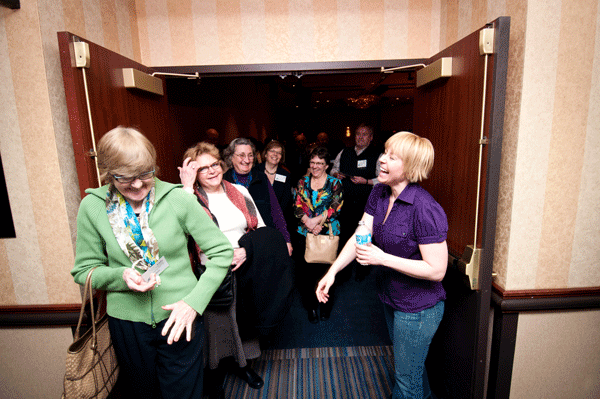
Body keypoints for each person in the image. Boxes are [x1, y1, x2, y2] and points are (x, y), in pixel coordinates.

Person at [71, 127, 233, 399]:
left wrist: (194, 303)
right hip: (127, 322)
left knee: (183, 393)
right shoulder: (93, 207)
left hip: (179, 315)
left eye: (145, 174)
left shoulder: (178, 199)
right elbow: (84, 270)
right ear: (108, 173)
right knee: (142, 393)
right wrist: (120, 276)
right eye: (125, 178)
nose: (137, 185)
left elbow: (221, 252)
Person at [317, 131, 448, 399]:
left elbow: (437, 270)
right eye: (384, 153)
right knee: (411, 371)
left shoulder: (424, 208)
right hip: (392, 298)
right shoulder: (378, 192)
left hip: (418, 309)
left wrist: (381, 258)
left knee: (405, 383)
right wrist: (332, 271)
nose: (382, 161)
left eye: (392, 156)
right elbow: (360, 235)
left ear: (410, 166)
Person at [179, 142, 266, 397]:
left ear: (222, 164)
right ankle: (214, 373)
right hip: (209, 270)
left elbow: (259, 227)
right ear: (194, 174)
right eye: (202, 168)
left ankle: (244, 365)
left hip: (244, 264)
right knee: (216, 326)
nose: (211, 171)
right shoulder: (187, 197)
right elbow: (181, 231)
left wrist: (247, 250)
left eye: (214, 164)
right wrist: (186, 188)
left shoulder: (239, 190)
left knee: (244, 319)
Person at [293, 146, 343, 323]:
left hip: (327, 233)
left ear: (327, 166)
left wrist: (317, 222)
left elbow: (336, 207)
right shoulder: (302, 182)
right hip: (304, 233)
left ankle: (325, 306)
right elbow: (297, 206)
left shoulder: (335, 183)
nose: (315, 166)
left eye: (319, 163)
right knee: (306, 275)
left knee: (326, 273)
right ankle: (312, 307)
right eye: (312, 162)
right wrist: (309, 222)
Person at [222, 137, 293, 255]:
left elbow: (275, 210)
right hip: (235, 247)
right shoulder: (224, 181)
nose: (247, 159)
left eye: (250, 155)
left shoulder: (261, 178)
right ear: (231, 157)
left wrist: (286, 239)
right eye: (241, 155)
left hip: (263, 242)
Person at [331, 123, 381, 281]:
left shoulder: (377, 154)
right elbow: (332, 169)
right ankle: (342, 270)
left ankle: (362, 270)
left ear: (371, 137)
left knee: (364, 237)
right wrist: (336, 174)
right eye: (358, 134)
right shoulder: (344, 152)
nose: (360, 137)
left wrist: (366, 181)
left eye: (365, 134)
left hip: (365, 204)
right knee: (344, 234)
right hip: (344, 203)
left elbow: (383, 179)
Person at [257, 140, 292, 212]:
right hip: (258, 217)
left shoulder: (286, 175)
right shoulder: (255, 171)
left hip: (278, 217)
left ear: (281, 157)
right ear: (265, 154)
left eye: (279, 153)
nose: (275, 154)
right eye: (272, 151)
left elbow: (286, 202)